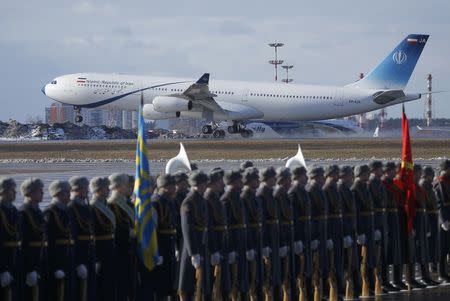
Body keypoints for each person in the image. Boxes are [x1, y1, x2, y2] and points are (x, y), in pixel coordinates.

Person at [178, 171, 210, 301]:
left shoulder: (201, 200)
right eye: (201, 184)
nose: (203, 186)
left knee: (202, 284)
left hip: (201, 245)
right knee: (188, 285)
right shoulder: (189, 202)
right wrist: (193, 253)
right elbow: (187, 229)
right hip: (192, 247)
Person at [148, 174, 179, 300]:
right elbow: (152, 231)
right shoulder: (155, 203)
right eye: (171, 186)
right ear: (163, 187)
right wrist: (156, 252)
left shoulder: (170, 202)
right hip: (160, 247)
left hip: (170, 246)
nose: (174, 189)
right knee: (160, 285)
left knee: (171, 283)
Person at [67, 176, 96, 301]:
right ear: (77, 189)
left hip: (89, 254)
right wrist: (79, 262)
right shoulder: (71, 208)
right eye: (85, 188)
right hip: (78, 256)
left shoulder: (85, 207)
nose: (87, 191)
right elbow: (72, 237)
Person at [108, 173, 135, 301]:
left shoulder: (129, 205)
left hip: (131, 250)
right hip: (119, 250)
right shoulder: (111, 206)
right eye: (126, 185)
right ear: (118, 187)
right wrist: (128, 233)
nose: (129, 187)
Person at [222, 170, 248, 301]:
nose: (241, 183)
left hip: (241, 242)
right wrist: (230, 249)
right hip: (233, 244)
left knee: (242, 278)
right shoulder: (226, 200)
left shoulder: (238, 197)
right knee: (232, 279)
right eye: (239, 180)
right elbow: (226, 229)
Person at [19, 178, 48, 301]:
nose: (42, 193)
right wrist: (30, 268)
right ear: (29, 193)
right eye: (39, 191)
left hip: (41, 261)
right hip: (29, 263)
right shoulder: (23, 212)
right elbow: (22, 243)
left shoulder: (38, 212)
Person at [204, 168, 230, 300]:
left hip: (221, 244)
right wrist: (214, 250)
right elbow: (209, 228)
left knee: (223, 284)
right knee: (210, 284)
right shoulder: (208, 199)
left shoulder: (216, 197)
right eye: (220, 182)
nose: (222, 184)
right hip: (213, 246)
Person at [257, 167, 281, 301]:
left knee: (275, 272)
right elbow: (262, 222)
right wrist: (265, 243)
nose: (275, 179)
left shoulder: (270, 193)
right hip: (267, 238)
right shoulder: (262, 194)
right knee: (267, 274)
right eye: (273, 177)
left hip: (274, 236)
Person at [89, 177, 116, 301]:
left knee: (110, 284)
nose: (109, 190)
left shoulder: (106, 205)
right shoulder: (92, 207)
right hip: (99, 250)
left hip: (110, 249)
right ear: (98, 190)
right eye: (106, 187)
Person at [351, 165, 375, 297]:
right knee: (362, 260)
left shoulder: (365, 187)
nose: (368, 176)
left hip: (369, 226)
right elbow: (356, 214)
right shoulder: (355, 190)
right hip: (362, 228)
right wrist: (359, 232)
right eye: (366, 174)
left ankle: (369, 284)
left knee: (369, 258)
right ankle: (361, 285)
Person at [367, 161, 391, 293]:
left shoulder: (379, 183)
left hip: (382, 221)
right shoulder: (370, 184)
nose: (382, 171)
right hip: (374, 223)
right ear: (374, 170)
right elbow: (371, 207)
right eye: (379, 169)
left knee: (382, 255)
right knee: (373, 256)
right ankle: (372, 283)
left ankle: (381, 281)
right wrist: (376, 226)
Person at [288, 166, 311, 301]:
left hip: (306, 233)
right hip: (299, 234)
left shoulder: (302, 190)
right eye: (304, 175)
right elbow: (294, 218)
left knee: (306, 267)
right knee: (297, 268)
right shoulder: (294, 192)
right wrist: (296, 238)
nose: (306, 177)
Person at [307, 166, 329, 300]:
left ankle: (321, 292)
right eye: (321, 176)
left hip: (322, 231)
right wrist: (314, 236)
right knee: (313, 266)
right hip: (314, 231)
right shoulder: (311, 190)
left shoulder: (319, 190)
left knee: (322, 264)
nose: (323, 178)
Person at [241, 167, 263, 301]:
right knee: (248, 276)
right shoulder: (244, 198)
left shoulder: (254, 196)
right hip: (249, 241)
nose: (258, 181)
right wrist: (248, 246)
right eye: (256, 179)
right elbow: (245, 224)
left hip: (257, 240)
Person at [381, 162, 404, 290]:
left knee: (396, 251)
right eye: (390, 171)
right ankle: (385, 281)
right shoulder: (383, 185)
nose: (393, 173)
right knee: (385, 252)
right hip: (387, 219)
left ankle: (396, 279)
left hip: (395, 218)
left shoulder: (394, 184)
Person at [337, 166, 360, 298]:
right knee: (345, 263)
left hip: (351, 230)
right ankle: (344, 289)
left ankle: (353, 289)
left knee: (352, 262)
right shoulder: (341, 189)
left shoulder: (347, 189)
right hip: (344, 231)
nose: (352, 177)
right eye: (350, 175)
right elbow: (341, 214)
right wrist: (345, 233)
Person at [322, 165, 344, 298]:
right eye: (336, 173)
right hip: (330, 229)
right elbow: (326, 215)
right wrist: (328, 235)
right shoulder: (326, 190)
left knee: (337, 261)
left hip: (337, 228)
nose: (338, 176)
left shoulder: (334, 188)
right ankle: (327, 290)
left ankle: (336, 290)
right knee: (329, 263)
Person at [274, 167, 294, 301]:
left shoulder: (285, 194)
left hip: (288, 237)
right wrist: (282, 242)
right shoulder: (278, 195)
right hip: (281, 238)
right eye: (287, 180)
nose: (290, 182)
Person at [0, 178, 21, 301]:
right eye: (12, 190)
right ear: (3, 192)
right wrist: (2, 269)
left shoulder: (14, 211)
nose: (15, 193)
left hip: (16, 260)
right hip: (4, 261)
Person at [420, 166, 441, 285]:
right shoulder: (424, 185)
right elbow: (427, 202)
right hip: (428, 216)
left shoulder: (427, 185)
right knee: (430, 244)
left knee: (433, 244)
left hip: (432, 216)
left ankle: (433, 266)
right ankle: (431, 267)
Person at [434, 159, 450, 283]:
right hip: (443, 219)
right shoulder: (439, 183)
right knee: (442, 248)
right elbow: (439, 204)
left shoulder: (447, 182)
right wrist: (443, 220)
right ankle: (441, 274)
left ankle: (446, 272)